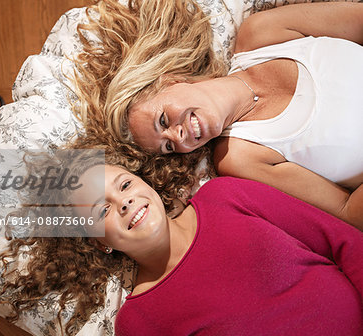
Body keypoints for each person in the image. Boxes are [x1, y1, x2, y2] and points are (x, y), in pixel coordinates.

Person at [0, 148, 363, 336]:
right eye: (100, 210)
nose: (123, 201)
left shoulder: (225, 195)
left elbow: (343, 241)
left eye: (124, 185)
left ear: (146, 183)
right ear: (96, 244)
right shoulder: (139, 323)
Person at [70, 0, 363, 229]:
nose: (179, 136)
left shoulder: (263, 34)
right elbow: (347, 211)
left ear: (168, 81)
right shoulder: (240, 157)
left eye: (163, 121)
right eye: (169, 146)